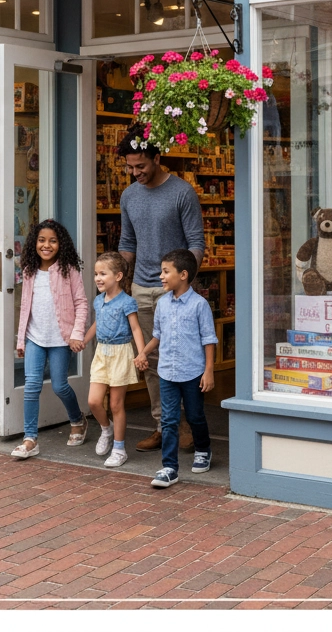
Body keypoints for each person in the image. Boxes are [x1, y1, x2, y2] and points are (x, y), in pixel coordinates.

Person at [116, 125, 205, 452]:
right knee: (151, 362)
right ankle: (164, 426)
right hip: (141, 288)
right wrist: (118, 279)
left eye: (141, 166)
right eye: (130, 167)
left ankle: (192, 426)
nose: (135, 172)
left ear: (157, 157)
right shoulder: (129, 196)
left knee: (183, 359)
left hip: (177, 293)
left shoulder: (182, 192)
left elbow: (196, 243)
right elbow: (128, 243)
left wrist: (184, 281)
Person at [134, 249, 217, 488]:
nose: (160, 276)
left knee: (194, 416)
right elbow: (157, 336)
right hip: (167, 372)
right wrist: (143, 353)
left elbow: (209, 339)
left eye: (165, 271)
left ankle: (203, 448)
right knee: (169, 420)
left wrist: (209, 370)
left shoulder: (200, 305)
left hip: (192, 372)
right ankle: (170, 467)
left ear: (183, 274)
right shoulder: (162, 304)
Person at [11, 219, 89, 459]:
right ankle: (30, 439)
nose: (46, 245)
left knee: (59, 386)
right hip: (35, 337)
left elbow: (81, 303)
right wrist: (21, 340)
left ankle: (78, 420)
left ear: (61, 244)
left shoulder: (69, 270)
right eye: (42, 240)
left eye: (52, 241)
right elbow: (24, 307)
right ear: (34, 243)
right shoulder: (29, 271)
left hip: (61, 339)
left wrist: (77, 334)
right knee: (31, 385)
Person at [82, 251, 145, 469]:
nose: (98, 278)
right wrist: (84, 341)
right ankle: (105, 429)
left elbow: (136, 328)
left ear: (118, 276)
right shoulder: (98, 302)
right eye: (96, 274)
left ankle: (119, 449)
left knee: (117, 404)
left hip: (121, 353)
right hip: (102, 353)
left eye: (103, 274)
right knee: (94, 401)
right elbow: (96, 325)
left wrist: (141, 353)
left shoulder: (127, 302)